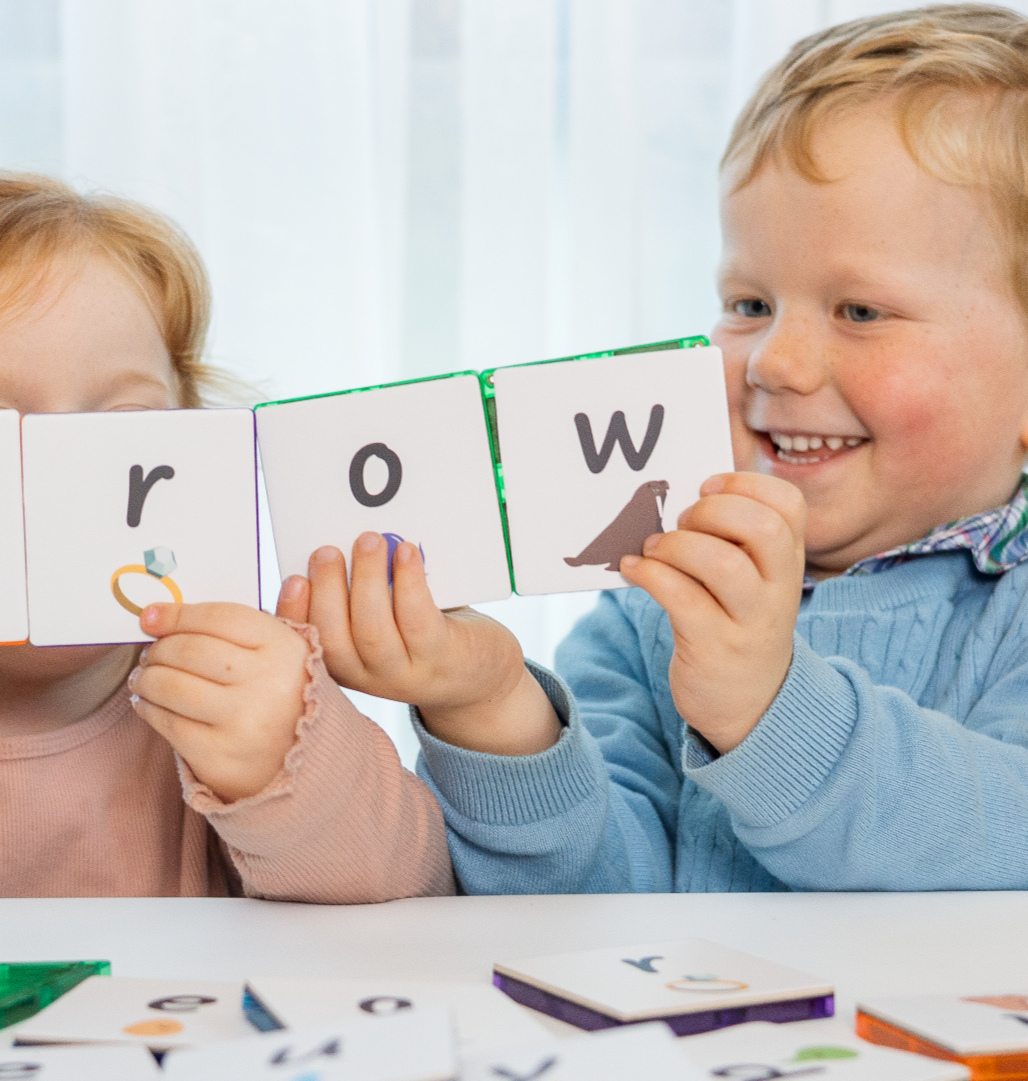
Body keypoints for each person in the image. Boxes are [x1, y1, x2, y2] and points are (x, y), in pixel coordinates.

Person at [284, 4, 1028, 894]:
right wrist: (490, 709)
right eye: (748, 305)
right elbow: (590, 895)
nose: (774, 362)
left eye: (859, 311)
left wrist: (767, 708)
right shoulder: (650, 606)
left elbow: (1001, 838)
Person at [0, 173, 452, 902]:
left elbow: (405, 897)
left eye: (122, 422)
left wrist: (284, 763)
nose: (70, 475)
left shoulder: (238, 677)